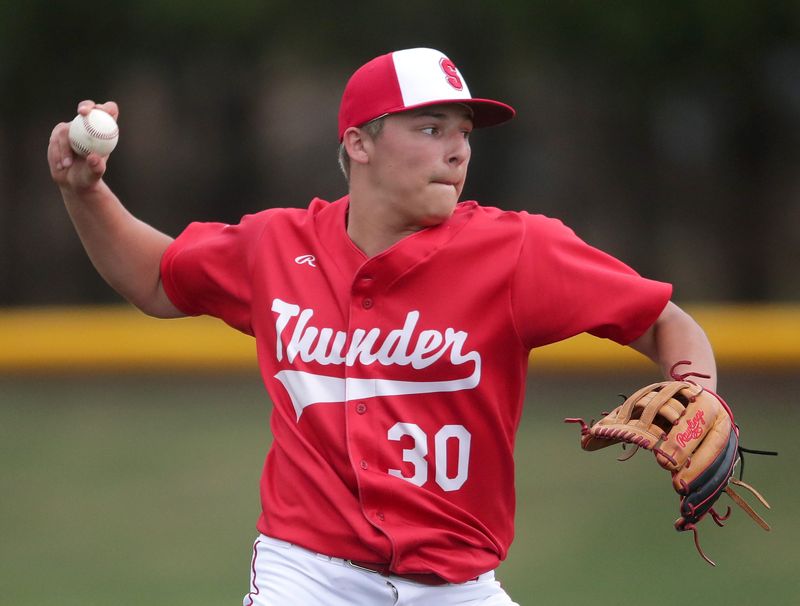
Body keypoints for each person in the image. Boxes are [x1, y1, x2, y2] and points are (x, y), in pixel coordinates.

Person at [48, 47, 717, 606]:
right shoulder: (278, 246)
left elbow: (664, 323)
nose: (457, 150)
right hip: (307, 574)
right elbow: (159, 279)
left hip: (459, 585)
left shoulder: (518, 251)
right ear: (359, 143)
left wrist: (698, 392)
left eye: (464, 132)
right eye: (431, 128)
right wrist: (86, 192)